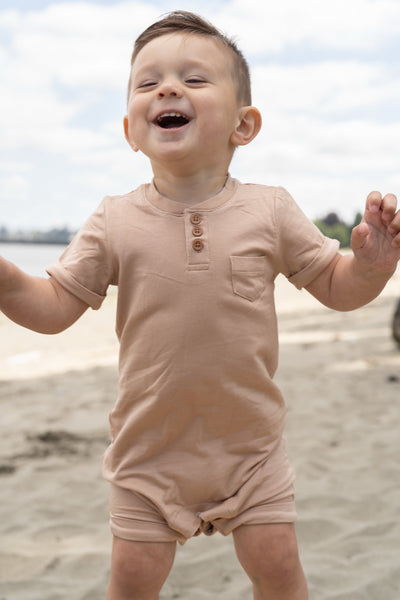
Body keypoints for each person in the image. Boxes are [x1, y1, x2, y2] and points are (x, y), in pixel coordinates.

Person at [1, 10, 399, 600]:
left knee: (279, 570)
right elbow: (55, 304)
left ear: (244, 125)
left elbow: (337, 289)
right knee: (132, 581)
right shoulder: (114, 219)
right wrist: (7, 280)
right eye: (148, 82)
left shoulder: (271, 209)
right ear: (131, 130)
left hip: (251, 452)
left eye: (193, 79)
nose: (167, 89)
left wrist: (371, 265)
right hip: (147, 456)